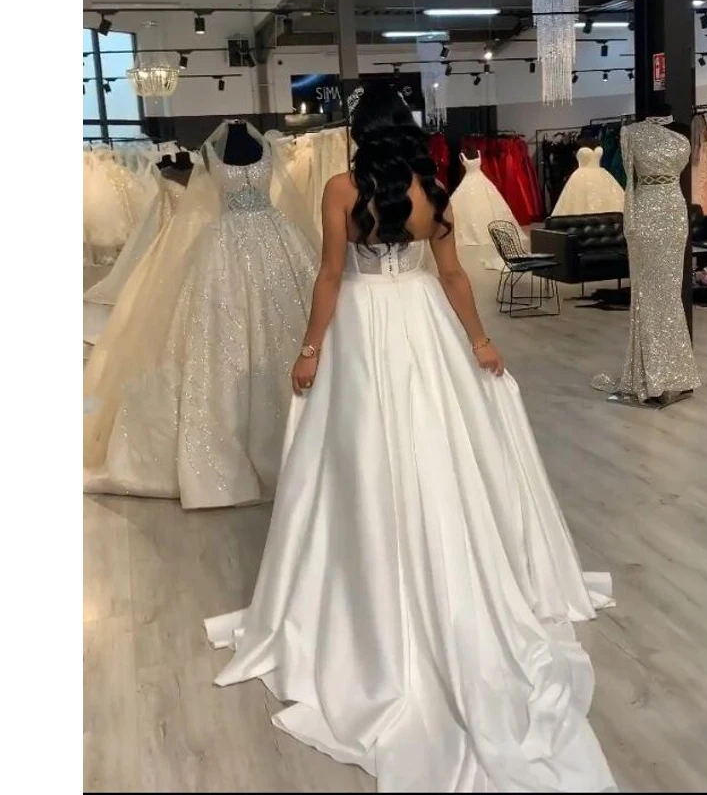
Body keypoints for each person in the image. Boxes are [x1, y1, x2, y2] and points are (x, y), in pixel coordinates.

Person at [205, 82, 617, 793]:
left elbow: (330, 275)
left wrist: (310, 348)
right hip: (424, 323)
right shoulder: (435, 190)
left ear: (360, 133)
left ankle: (362, 575)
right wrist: (480, 341)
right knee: (437, 444)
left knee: (361, 456)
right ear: (409, 131)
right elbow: (452, 277)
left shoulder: (341, 189)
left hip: (365, 326)